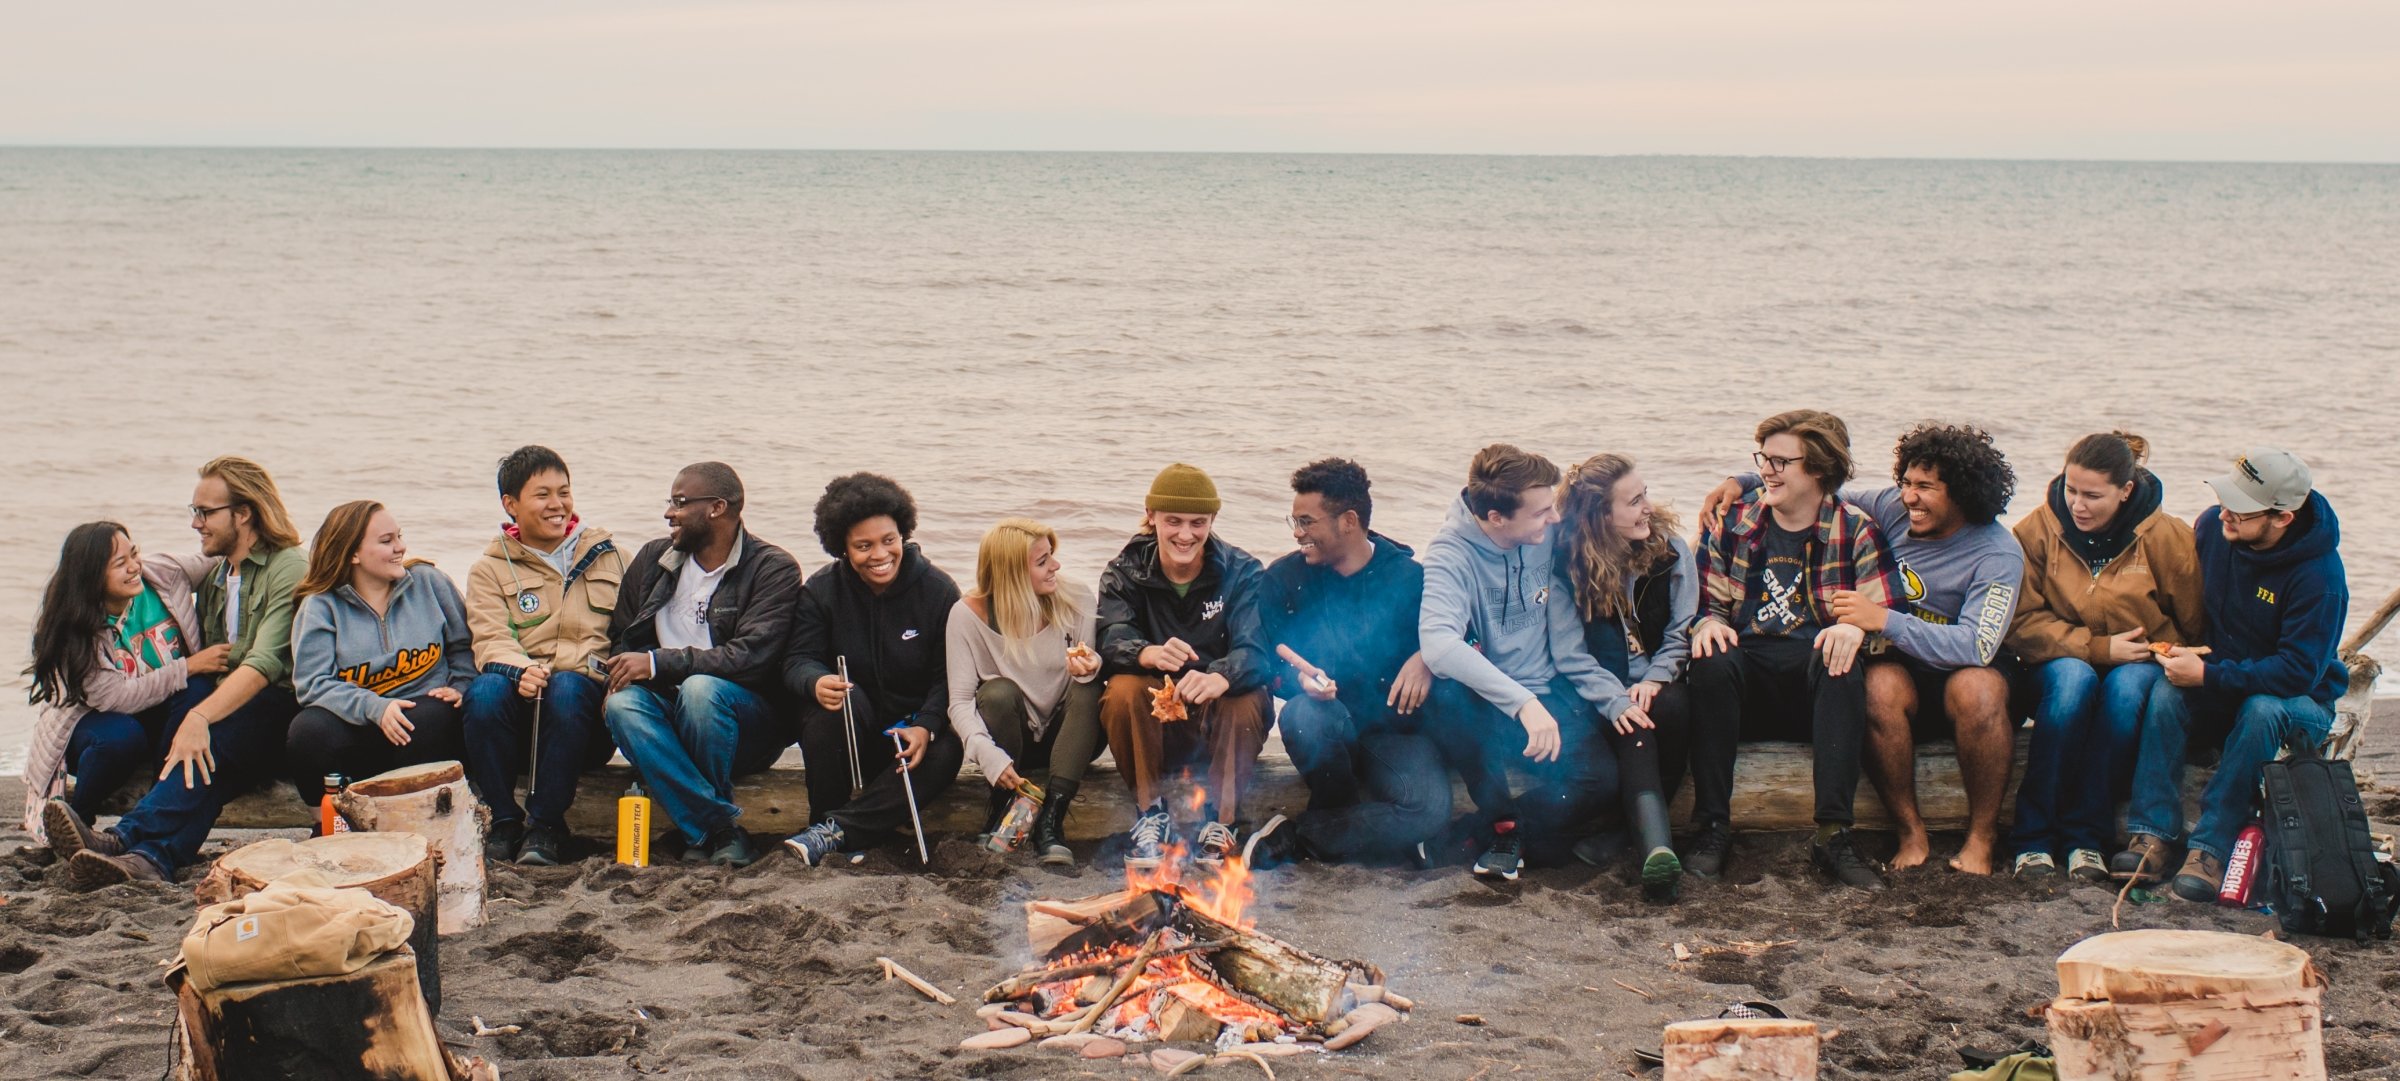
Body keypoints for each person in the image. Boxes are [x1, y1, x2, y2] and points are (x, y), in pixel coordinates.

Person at [1704, 422, 2023, 875]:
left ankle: (1982, 837)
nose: (1910, 497)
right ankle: (1910, 831)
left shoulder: (1997, 554)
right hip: (1897, 662)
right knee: (1878, 685)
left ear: (1965, 493)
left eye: (1926, 488)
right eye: (1907, 483)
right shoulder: (1892, 509)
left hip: (1962, 669)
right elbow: (1814, 485)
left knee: (1978, 689)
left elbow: (1977, 644)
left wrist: (1884, 619)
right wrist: (1746, 481)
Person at [40, 456, 307, 888]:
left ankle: (120, 838)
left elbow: (265, 664)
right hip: (233, 709)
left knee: (209, 744)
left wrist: (198, 718)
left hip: (278, 708)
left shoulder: (287, 566)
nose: (196, 523)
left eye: (205, 512)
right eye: (194, 511)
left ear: (243, 513)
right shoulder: (220, 573)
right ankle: (151, 858)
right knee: (208, 765)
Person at [2116, 448, 2347, 902]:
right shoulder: (2212, 528)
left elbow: (2298, 672)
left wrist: (2209, 677)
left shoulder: (2320, 578)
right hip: (2227, 676)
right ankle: (2152, 833)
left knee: (2261, 711)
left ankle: (2212, 847)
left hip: (2303, 701)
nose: (2224, 512)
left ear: (2281, 518)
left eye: (2239, 509)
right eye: (2225, 498)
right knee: (2167, 692)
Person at [1686, 412, 1895, 890]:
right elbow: (1703, 603)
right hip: (1747, 682)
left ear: (1818, 469)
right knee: (1712, 657)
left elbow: (1888, 619)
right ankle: (1712, 827)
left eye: (1782, 461)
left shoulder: (1856, 530)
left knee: (1838, 657)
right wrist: (1705, 625)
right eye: (1763, 458)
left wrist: (1858, 631)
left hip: (1814, 689)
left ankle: (1833, 833)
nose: (1767, 470)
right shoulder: (1735, 522)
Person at [2004, 432, 2203, 882]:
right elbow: (2019, 622)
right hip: (2057, 663)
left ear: (2125, 490)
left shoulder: (2168, 537)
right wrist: (2097, 648)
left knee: (2126, 689)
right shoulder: (2036, 531)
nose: (2078, 505)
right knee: (2074, 681)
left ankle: (2086, 838)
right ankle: (2033, 838)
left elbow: (2194, 624)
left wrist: (2165, 656)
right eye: (2071, 490)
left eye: (2093, 495)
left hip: (2139, 667)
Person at [1420, 444, 1615, 882]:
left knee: (1602, 781)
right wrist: (1522, 703)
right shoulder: (1451, 555)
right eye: (1542, 511)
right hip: (1488, 701)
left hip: (1549, 689)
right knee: (1446, 691)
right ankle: (1505, 829)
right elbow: (1437, 643)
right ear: (1496, 519)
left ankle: (1491, 831)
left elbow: (1616, 499)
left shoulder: (1544, 531)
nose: (1555, 518)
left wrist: (1744, 481)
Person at [1245, 459, 1449, 871]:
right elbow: (1267, 664)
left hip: (1394, 731)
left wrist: (1427, 657)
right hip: (1325, 723)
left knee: (1428, 810)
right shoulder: (1284, 579)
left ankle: (1298, 835)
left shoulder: (1409, 578)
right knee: (1305, 714)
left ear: (1349, 521)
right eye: (1294, 520)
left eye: (1307, 521)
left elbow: (1462, 639)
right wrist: (1298, 681)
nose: (1297, 532)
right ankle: (1361, 830)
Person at [601, 462, 803, 868]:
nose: (668, 513)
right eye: (669, 502)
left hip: (744, 723)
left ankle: (700, 824)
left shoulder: (772, 568)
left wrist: (659, 663)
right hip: (672, 714)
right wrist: (617, 677)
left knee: (701, 688)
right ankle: (718, 828)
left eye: (679, 502)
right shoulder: (654, 559)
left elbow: (750, 658)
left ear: (716, 508)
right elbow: (624, 636)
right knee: (622, 705)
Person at [780, 474, 966, 866]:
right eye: (863, 546)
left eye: (889, 540)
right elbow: (796, 660)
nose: (880, 554)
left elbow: (950, 676)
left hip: (908, 738)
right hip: (850, 735)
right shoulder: (821, 590)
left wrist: (926, 725)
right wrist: (815, 681)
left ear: (903, 533)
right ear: (842, 548)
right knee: (829, 706)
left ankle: (832, 833)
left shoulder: (939, 590)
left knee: (949, 747)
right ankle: (827, 819)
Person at [1095, 463, 1273, 868]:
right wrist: (1146, 653)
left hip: (1219, 727)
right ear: (1152, 515)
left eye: (1198, 522)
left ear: (1213, 520)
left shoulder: (1243, 572)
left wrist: (1221, 676)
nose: (1185, 534)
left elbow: (1258, 649)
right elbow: (1109, 637)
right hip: (1155, 728)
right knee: (1122, 688)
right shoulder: (1125, 571)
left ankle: (1223, 823)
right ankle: (1151, 814)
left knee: (1244, 697)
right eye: (1173, 521)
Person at [460, 446, 627, 865]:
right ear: (510, 504)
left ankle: (547, 826)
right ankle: (503, 820)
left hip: (584, 720)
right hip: (521, 721)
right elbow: (489, 639)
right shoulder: (489, 568)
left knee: (569, 686)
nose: (557, 505)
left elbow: (632, 635)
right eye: (542, 494)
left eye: (564, 492)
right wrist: (521, 670)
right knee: (483, 692)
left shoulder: (613, 556)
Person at [1552, 453, 1697, 902]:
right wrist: (1616, 700)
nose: (1648, 508)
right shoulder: (1566, 567)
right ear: (1601, 515)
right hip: (1596, 695)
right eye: (1634, 501)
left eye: (1645, 494)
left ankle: (1642, 843)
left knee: (1668, 707)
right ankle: (1653, 848)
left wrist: (1655, 679)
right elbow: (1570, 656)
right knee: (1633, 726)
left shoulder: (1670, 550)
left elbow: (1681, 631)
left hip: (1658, 686)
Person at [23, 524, 229, 839]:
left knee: (198, 690)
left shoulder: (163, 574)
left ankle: (157, 802)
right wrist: (188, 665)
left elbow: (220, 558)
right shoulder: (78, 626)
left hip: (159, 714)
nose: (134, 567)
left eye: (134, 554)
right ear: (92, 577)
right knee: (122, 737)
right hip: (95, 728)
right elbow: (114, 698)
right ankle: (79, 819)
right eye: (120, 564)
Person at [286, 502, 476, 804]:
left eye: (399, 537)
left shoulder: (429, 583)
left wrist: (461, 686)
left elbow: (465, 645)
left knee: (427, 718)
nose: (401, 547)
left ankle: (414, 817)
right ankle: (328, 821)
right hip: (360, 723)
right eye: (387, 541)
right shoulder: (321, 606)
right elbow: (313, 684)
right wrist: (375, 707)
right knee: (308, 731)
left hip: (424, 720)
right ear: (353, 553)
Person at [940, 518, 1103, 867]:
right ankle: (1001, 806)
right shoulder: (966, 617)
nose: (1055, 566)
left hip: (1070, 737)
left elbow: (1093, 669)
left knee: (1089, 691)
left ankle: (1052, 821)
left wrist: (1092, 667)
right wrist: (987, 756)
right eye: (1042, 561)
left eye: (1052, 556)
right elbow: (959, 703)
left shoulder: (1076, 600)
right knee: (996, 693)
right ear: (1011, 573)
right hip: (1011, 741)